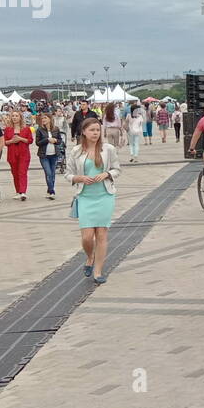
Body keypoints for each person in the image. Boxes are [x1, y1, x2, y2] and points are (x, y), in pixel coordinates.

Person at [67, 117, 122, 284]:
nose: (95, 133)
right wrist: (79, 178)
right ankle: (90, 257)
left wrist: (107, 174)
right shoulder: (76, 151)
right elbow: (67, 174)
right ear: (84, 131)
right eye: (92, 130)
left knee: (101, 234)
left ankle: (98, 271)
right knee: (87, 237)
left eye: (98, 130)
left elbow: (117, 169)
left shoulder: (108, 149)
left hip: (105, 195)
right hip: (85, 196)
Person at [35, 112, 66, 200]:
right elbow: (38, 143)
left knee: (52, 174)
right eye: (42, 118)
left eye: (45, 118)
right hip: (44, 155)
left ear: (50, 119)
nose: (43, 120)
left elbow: (60, 141)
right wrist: (47, 140)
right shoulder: (39, 130)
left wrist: (55, 140)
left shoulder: (56, 129)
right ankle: (52, 191)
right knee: (48, 173)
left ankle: (49, 190)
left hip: (54, 154)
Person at [4, 109, 33, 200]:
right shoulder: (8, 129)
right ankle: (18, 191)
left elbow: (30, 140)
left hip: (23, 153)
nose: (14, 118)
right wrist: (12, 141)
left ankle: (23, 192)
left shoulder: (26, 129)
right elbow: (5, 142)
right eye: (13, 116)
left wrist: (20, 139)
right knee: (15, 173)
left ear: (20, 118)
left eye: (16, 116)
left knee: (22, 172)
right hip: (12, 153)